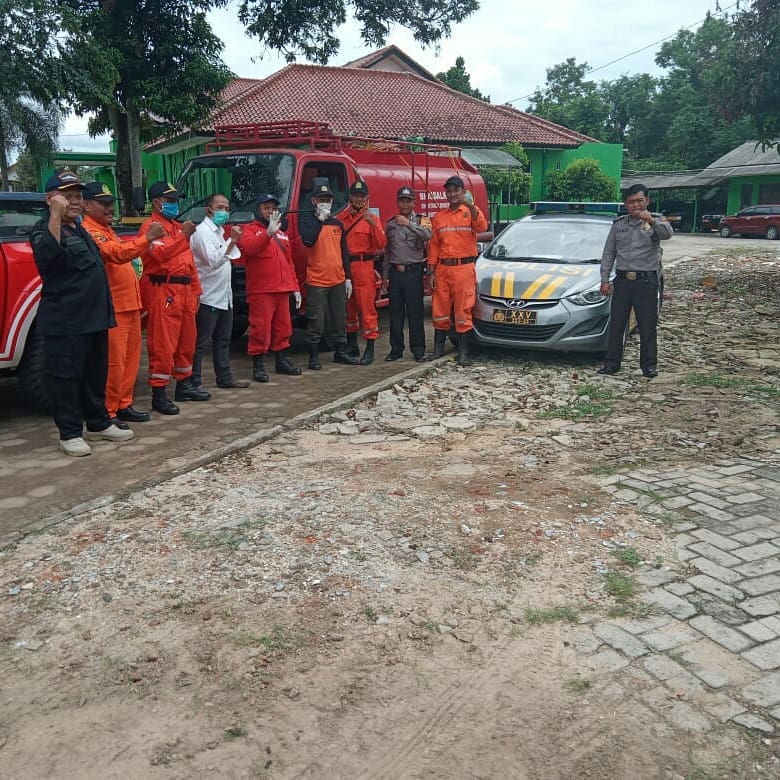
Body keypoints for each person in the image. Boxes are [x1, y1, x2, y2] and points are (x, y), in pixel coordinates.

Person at [30, 170, 134, 456]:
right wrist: (55, 215)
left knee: (94, 375)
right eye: (68, 196)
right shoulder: (43, 229)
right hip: (67, 320)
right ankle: (70, 433)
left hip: (94, 317)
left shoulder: (78, 229)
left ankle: (99, 423)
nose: (75, 201)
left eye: (78, 196)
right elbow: (48, 257)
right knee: (66, 379)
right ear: (50, 199)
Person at [81, 182, 163, 428]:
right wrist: (147, 238)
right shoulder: (89, 230)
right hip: (114, 307)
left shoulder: (106, 229)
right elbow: (116, 254)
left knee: (130, 360)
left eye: (110, 203)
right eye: (103, 203)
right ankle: (108, 411)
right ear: (86, 205)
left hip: (129, 305)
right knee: (114, 363)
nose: (109, 208)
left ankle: (123, 404)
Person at [138, 181, 210, 415]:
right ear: (156, 202)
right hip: (164, 290)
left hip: (185, 291)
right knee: (163, 343)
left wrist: (196, 291)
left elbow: (189, 264)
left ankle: (184, 385)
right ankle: (159, 394)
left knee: (187, 341)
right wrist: (184, 237)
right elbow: (160, 255)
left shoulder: (178, 228)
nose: (174, 204)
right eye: (170, 200)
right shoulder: (151, 228)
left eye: (176, 200)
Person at [598, 183, 673, 379]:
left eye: (640, 201)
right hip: (623, 281)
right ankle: (612, 363)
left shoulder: (656, 221)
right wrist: (604, 279)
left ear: (647, 201)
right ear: (626, 204)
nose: (636, 205)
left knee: (647, 326)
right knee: (617, 324)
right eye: (631, 202)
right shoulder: (619, 225)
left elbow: (667, 234)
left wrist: (651, 221)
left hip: (646, 282)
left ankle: (649, 366)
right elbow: (609, 253)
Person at [237, 193, 302, 382]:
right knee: (260, 328)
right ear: (258, 210)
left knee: (284, 328)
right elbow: (250, 249)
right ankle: (258, 365)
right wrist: (267, 234)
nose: (270, 211)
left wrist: (295, 287)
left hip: (283, 289)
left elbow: (289, 262)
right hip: (262, 290)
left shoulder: (281, 233)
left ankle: (282, 361)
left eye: (273, 208)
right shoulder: (249, 230)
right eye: (266, 208)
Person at [189, 192, 248, 390]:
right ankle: (193, 381)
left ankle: (224, 378)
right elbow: (213, 261)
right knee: (200, 342)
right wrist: (232, 241)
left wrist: (230, 241)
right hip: (208, 296)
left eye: (227, 208)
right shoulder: (202, 233)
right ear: (209, 210)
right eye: (220, 208)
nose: (224, 212)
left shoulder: (219, 232)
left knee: (223, 340)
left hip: (224, 295)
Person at [298, 178, 359, 370]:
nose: (325, 202)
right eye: (321, 199)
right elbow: (308, 241)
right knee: (316, 320)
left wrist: (348, 277)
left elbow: (344, 253)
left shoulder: (337, 224)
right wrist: (319, 221)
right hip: (317, 281)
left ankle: (340, 352)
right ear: (313, 201)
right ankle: (314, 356)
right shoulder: (307, 222)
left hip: (338, 280)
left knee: (339, 318)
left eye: (328, 199)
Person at [428, 175, 488, 366]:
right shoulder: (439, 216)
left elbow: (482, 226)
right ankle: (438, 350)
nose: (452, 194)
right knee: (440, 310)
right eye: (449, 191)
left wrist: (470, 206)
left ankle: (463, 353)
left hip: (464, 268)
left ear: (463, 192)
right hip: (443, 269)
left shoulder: (470, 212)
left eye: (456, 190)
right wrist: (431, 271)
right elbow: (434, 245)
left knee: (463, 311)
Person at [337, 180, 386, 365]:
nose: (358, 199)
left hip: (364, 266)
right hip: (346, 267)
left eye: (362, 196)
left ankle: (370, 349)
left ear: (367, 198)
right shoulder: (341, 218)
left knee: (367, 309)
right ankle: (352, 346)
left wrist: (372, 224)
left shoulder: (372, 218)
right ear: (350, 197)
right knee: (348, 309)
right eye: (355, 196)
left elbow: (381, 244)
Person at [382, 186, 432, 362]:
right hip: (396, 274)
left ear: (413, 203)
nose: (405, 204)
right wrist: (384, 276)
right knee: (395, 313)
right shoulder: (391, 224)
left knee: (415, 312)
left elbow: (428, 235)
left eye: (408, 201)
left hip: (413, 273)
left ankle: (418, 350)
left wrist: (409, 224)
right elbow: (387, 252)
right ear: (397, 202)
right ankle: (396, 349)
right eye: (402, 201)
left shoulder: (421, 220)